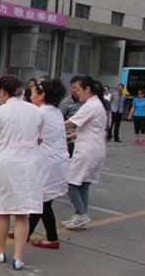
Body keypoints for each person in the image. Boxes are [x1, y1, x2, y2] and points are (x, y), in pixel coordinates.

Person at [0, 75, 44, 270]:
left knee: (3, 210)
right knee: (23, 213)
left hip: (9, 161)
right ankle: (18, 258)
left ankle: (0, 251)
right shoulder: (36, 110)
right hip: (31, 161)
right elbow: (40, 139)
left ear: (3, 91)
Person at [21, 79, 69, 249]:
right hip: (57, 161)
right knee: (42, 199)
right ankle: (25, 232)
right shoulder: (55, 111)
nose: (30, 96)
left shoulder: (39, 112)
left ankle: (52, 239)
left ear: (41, 96)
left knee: (42, 201)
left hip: (48, 162)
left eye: (33, 93)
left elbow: (28, 136)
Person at [61, 76, 108, 230]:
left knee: (70, 183)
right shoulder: (97, 104)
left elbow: (70, 123)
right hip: (96, 149)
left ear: (87, 89)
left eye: (78, 89)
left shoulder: (90, 106)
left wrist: (50, 125)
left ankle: (81, 214)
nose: (76, 92)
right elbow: (92, 128)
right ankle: (79, 217)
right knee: (83, 185)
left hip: (87, 150)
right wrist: (73, 136)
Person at [60, 76, 83, 157]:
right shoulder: (66, 103)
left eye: (77, 88)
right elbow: (60, 119)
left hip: (83, 139)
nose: (75, 90)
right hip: (70, 139)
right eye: (73, 88)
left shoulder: (87, 102)